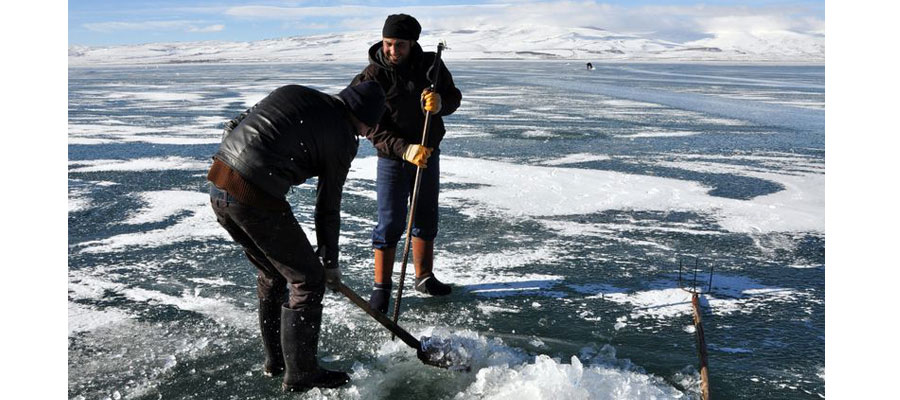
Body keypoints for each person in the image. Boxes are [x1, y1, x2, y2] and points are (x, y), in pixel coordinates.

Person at [207, 82, 385, 392]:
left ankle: (276, 361)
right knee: (308, 279)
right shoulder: (344, 137)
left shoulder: (297, 93)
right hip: (253, 196)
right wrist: (329, 263)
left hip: (219, 182)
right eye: (371, 127)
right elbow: (327, 206)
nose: (369, 134)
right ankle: (301, 373)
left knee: (273, 273)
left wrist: (237, 166)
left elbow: (236, 123)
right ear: (365, 117)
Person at [350, 14, 463, 314]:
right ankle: (381, 288)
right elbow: (366, 124)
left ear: (412, 43)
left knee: (425, 217)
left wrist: (441, 104)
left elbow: (453, 97)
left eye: (399, 44)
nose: (392, 50)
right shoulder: (372, 76)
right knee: (390, 223)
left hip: (427, 154)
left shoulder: (431, 66)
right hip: (392, 158)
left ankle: (424, 277)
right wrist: (404, 149)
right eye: (388, 43)